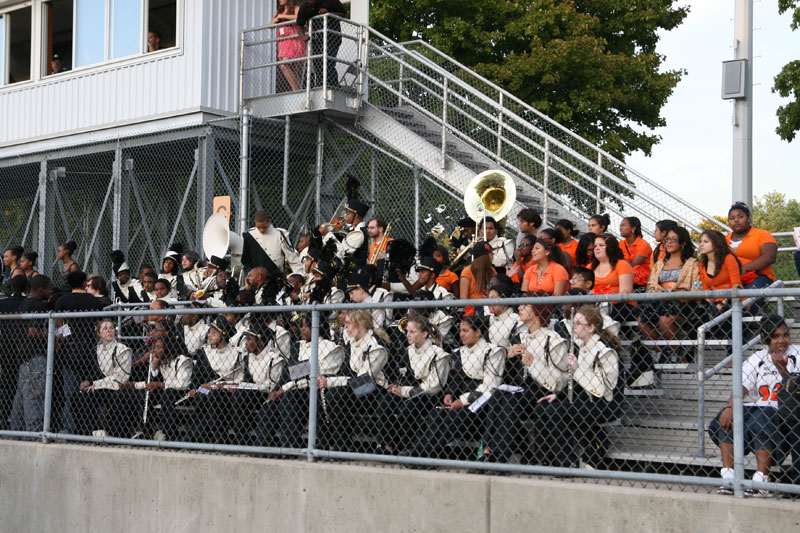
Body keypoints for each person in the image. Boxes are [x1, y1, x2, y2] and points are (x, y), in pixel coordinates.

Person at [709, 315, 797, 497]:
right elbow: (741, 386)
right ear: (766, 339)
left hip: (785, 414)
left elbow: (795, 390)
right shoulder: (758, 357)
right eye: (776, 336)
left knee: (760, 417)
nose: (782, 340)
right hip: (760, 409)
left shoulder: (797, 354)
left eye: (785, 335)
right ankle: (729, 477)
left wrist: (782, 369)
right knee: (727, 417)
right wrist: (730, 407)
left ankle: (762, 481)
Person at [402, 315, 504, 459]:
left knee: (455, 417)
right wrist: (449, 394)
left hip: (482, 401)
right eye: (460, 330)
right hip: (462, 398)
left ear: (478, 332)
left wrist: (462, 401)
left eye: (465, 330)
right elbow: (457, 379)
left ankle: (419, 452)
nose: (461, 334)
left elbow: (490, 385)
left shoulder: (493, 351)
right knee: (437, 413)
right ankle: (422, 452)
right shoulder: (459, 352)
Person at [482, 301, 569, 463]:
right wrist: (508, 357)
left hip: (543, 391)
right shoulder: (519, 337)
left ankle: (499, 454)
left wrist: (533, 363)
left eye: (525, 306)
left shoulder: (554, 340)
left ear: (537, 310)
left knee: (508, 399)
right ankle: (489, 449)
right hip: (522, 390)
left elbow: (558, 383)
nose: (519, 308)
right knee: (500, 394)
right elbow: (506, 373)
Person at [537, 305, 620, 468]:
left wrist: (577, 369)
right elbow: (576, 382)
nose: (573, 326)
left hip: (604, 403)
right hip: (585, 399)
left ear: (590, 327)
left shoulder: (604, 351)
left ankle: (567, 462)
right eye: (573, 322)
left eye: (578, 323)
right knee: (543, 406)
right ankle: (545, 459)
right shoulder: (583, 347)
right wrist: (558, 395)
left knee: (557, 411)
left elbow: (601, 390)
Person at [262, 314, 344, 448]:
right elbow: (290, 373)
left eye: (306, 326)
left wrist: (304, 370)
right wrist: (276, 389)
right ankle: (290, 444)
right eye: (302, 326)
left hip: (319, 388)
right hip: (297, 389)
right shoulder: (297, 346)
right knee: (288, 399)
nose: (302, 329)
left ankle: (324, 445)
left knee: (315, 398)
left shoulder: (330, 347)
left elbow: (319, 374)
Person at [318, 309, 389, 452]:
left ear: (361, 324)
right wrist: (327, 381)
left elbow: (363, 380)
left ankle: (342, 444)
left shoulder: (376, 345)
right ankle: (323, 442)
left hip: (375, 388)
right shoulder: (353, 343)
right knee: (319, 391)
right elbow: (348, 374)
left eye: (349, 323)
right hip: (356, 386)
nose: (346, 327)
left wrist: (331, 382)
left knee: (336, 394)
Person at [379, 316, 450, 454]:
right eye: (407, 331)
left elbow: (434, 386)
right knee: (385, 403)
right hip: (410, 390)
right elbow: (404, 375)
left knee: (407, 408)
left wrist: (404, 391)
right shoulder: (408, 351)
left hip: (428, 395)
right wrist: (397, 388)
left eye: (412, 332)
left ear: (424, 334)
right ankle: (386, 446)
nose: (407, 335)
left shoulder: (439, 354)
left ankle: (409, 448)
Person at [637, 226, 700, 367]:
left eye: (674, 239)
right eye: (667, 239)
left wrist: (678, 294)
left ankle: (675, 352)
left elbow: (696, 286)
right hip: (660, 301)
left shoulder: (692, 263)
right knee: (641, 320)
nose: (669, 243)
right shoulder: (659, 264)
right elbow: (651, 286)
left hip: (683, 303)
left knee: (665, 320)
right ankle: (665, 351)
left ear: (683, 243)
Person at [54, 271, 104, 432]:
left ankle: (71, 427)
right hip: (89, 347)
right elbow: (100, 326)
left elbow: (58, 325)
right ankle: (94, 426)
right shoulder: (94, 301)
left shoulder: (62, 301)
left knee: (70, 390)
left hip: (70, 347)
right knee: (93, 387)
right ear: (84, 283)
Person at [186, 317, 245, 443]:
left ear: (223, 334)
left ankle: (196, 436)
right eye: (209, 333)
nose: (209, 336)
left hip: (229, 391)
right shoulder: (204, 352)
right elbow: (197, 377)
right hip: (208, 390)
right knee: (207, 395)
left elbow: (240, 377)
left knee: (214, 396)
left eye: (214, 333)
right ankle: (218, 436)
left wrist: (224, 385)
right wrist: (195, 389)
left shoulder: (237, 352)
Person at [71, 319, 132, 437]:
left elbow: (121, 376)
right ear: (99, 333)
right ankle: (89, 432)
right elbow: (96, 372)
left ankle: (112, 432)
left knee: (117, 397)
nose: (109, 330)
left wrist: (97, 384)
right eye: (105, 328)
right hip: (102, 386)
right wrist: (88, 381)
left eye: (111, 328)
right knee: (79, 397)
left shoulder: (122, 349)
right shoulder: (96, 350)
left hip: (116, 387)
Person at [9, 276, 53, 432]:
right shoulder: (37, 305)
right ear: (41, 289)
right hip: (35, 357)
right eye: (49, 288)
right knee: (34, 398)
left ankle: (16, 433)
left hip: (24, 357)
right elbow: (32, 331)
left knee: (22, 398)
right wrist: (53, 336)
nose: (51, 291)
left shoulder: (24, 303)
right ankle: (34, 434)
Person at [726, 202, 778, 290]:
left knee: (745, 298)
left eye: (740, 217)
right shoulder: (723, 240)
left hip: (759, 276)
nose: (736, 220)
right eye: (732, 218)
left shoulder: (762, 234)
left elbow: (770, 257)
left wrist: (745, 268)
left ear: (748, 219)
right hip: (730, 278)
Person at [296, 0, 347, 88]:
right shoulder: (304, 7)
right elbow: (299, 25)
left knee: (328, 60)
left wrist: (329, 13)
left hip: (332, 37)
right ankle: (321, 84)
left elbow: (343, 13)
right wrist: (303, 36)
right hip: (316, 39)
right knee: (317, 62)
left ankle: (332, 85)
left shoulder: (331, 1)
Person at [0, 275, 29, 428]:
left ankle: (4, 418)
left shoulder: (3, 304)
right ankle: (21, 421)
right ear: (26, 288)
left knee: (6, 387)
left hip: (6, 349)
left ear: (11, 287)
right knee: (26, 387)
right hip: (25, 351)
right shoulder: (28, 303)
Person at [242, 210, 303, 276]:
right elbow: (246, 260)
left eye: (264, 227)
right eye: (258, 227)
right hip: (256, 278)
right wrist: (249, 274)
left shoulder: (280, 234)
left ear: (269, 221)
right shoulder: (249, 235)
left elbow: (292, 258)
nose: (261, 230)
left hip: (276, 277)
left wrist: (300, 275)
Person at [698, 229, 742, 318]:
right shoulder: (702, 264)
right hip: (712, 303)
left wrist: (723, 303)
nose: (701, 244)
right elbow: (705, 288)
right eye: (701, 242)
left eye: (705, 242)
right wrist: (712, 305)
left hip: (732, 301)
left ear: (715, 244)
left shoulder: (729, 259)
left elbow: (736, 285)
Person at [592, 233, 634, 322]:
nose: (597, 248)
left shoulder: (622, 265)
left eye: (601, 245)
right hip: (595, 304)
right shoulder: (590, 267)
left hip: (619, 305)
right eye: (595, 246)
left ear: (610, 247)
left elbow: (625, 292)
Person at [271, 0, 306, 91]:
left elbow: (298, 17)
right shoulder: (278, 12)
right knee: (292, 70)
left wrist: (283, 16)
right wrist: (276, 19)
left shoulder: (296, 8)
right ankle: (298, 90)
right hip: (283, 43)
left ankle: (296, 90)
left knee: (284, 65)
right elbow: (271, 25)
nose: (280, 0)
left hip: (294, 41)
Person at [619, 217, 652, 291]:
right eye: (620, 226)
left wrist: (620, 259)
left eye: (623, 225)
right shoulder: (620, 244)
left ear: (633, 228)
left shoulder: (643, 244)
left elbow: (635, 264)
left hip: (641, 278)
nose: (620, 228)